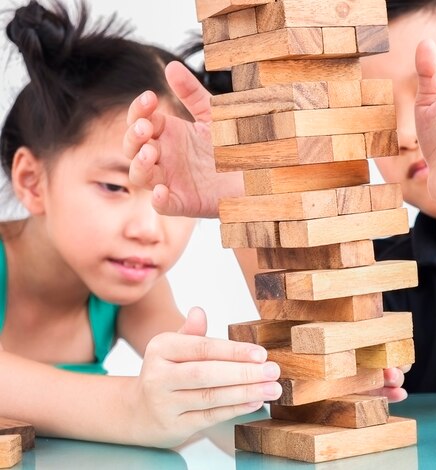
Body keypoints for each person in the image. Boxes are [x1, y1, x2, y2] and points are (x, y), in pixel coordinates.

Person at [123, 0, 436, 406]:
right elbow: (326, 386)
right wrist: (250, 196)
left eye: (431, 89)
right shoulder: (376, 261)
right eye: (374, 110)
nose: (406, 133)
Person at [0, 1, 282, 448]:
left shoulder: (132, 286)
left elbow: (236, 432)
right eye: (114, 187)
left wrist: (321, 396)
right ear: (32, 181)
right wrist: (134, 408)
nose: (150, 229)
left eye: (162, 191)